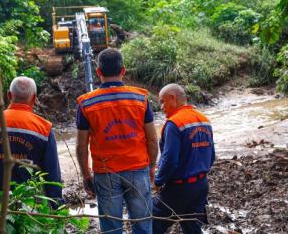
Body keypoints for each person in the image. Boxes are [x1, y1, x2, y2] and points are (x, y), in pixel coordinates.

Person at [76, 48, 158, 234]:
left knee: (111, 227)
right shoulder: (140, 98)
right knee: (143, 224)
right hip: (138, 169)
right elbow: (152, 138)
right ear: (123, 71)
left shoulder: (86, 103)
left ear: (98, 72)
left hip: (106, 173)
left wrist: (85, 175)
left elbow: (81, 146)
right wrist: (151, 166)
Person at [0, 76, 62, 204]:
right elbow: (52, 173)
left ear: (9, 95)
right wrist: (57, 204)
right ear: (34, 98)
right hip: (33, 202)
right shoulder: (44, 128)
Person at [152, 84, 215, 233]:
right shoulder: (204, 119)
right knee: (192, 227)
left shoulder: (174, 123)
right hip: (201, 185)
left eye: (162, 101)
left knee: (152, 220)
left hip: (179, 188)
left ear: (173, 98)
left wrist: (158, 181)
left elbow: (170, 159)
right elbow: (212, 156)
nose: (161, 107)